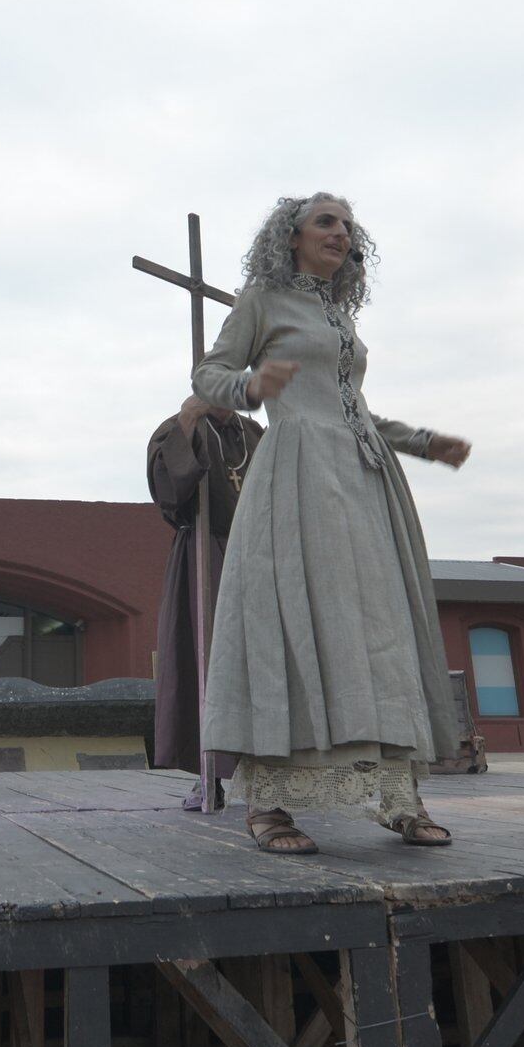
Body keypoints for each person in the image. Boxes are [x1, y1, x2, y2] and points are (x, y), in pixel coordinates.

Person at [194, 193, 470, 855]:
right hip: (298, 474)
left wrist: (421, 440)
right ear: (290, 237)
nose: (341, 233)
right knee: (302, 622)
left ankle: (398, 798)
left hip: (364, 479)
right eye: (326, 221)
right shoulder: (261, 299)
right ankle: (270, 806)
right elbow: (210, 374)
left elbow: (353, 409)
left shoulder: (338, 313)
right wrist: (252, 387)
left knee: (380, 631)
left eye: (348, 225)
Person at [146, 395, 264, 810]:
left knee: (264, 663)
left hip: (258, 555)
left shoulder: (254, 434)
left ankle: (272, 778)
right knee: (208, 662)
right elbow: (170, 493)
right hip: (204, 554)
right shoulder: (178, 427)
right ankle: (207, 774)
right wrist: (188, 420)